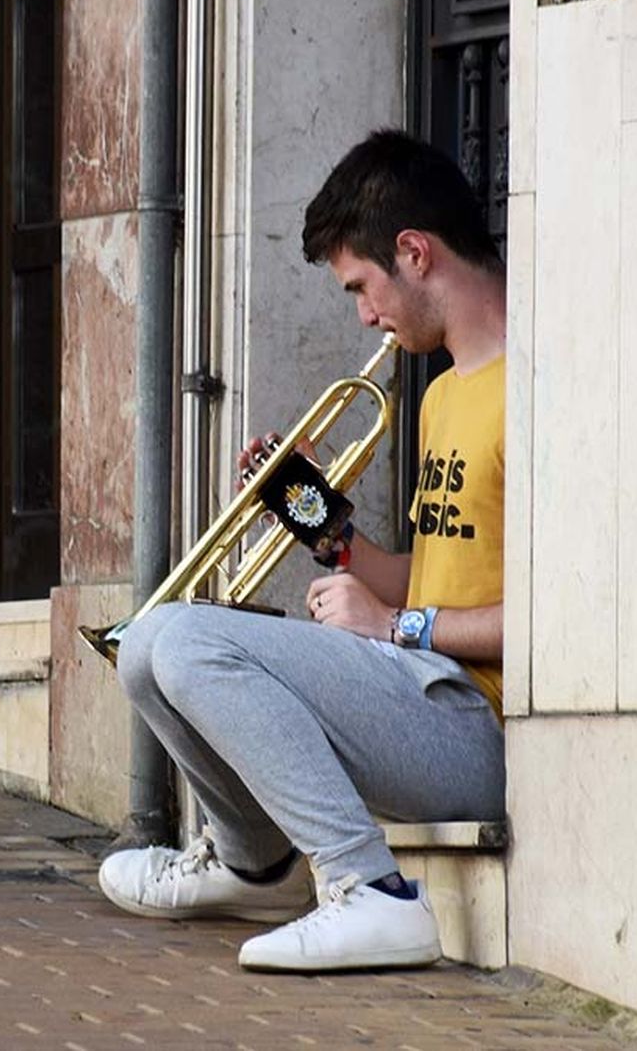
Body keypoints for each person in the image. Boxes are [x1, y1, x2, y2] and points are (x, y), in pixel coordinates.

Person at [96, 129, 508, 972]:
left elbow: (559, 621)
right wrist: (326, 530)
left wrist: (397, 626)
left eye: (362, 287)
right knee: (145, 645)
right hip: (418, 689)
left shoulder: (537, 388)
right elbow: (433, 574)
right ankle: (255, 864)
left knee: (187, 638)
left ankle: (370, 891)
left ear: (415, 253)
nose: (365, 316)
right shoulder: (443, 398)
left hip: (481, 726)